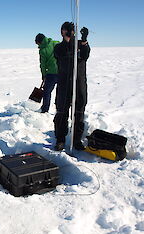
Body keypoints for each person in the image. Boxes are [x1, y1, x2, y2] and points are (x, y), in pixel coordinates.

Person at [53, 22, 90, 151]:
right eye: (65, 30)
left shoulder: (80, 45)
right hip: (64, 85)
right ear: (61, 32)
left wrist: (84, 40)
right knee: (62, 112)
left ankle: (77, 140)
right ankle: (60, 140)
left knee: (79, 112)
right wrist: (69, 41)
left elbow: (85, 55)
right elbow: (61, 54)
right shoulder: (58, 47)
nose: (68, 32)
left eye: (70, 30)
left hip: (79, 84)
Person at [35, 33, 59, 113]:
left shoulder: (43, 51)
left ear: (39, 42)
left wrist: (44, 75)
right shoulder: (55, 43)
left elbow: (43, 65)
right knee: (60, 92)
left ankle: (45, 109)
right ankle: (60, 110)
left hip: (51, 74)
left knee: (46, 92)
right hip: (62, 72)